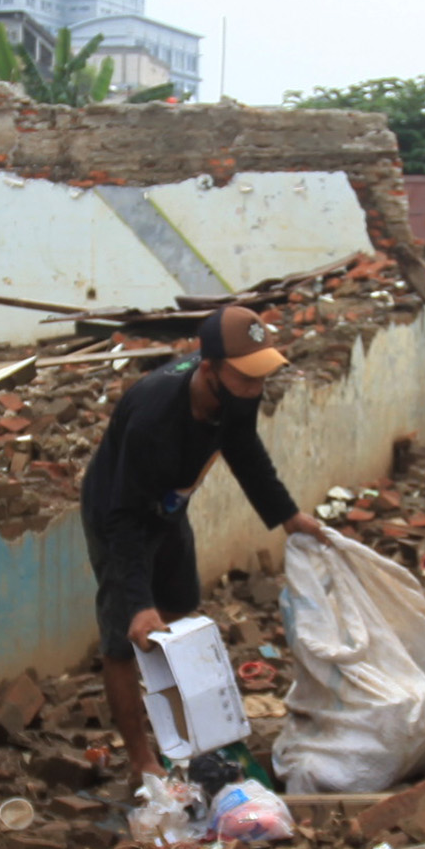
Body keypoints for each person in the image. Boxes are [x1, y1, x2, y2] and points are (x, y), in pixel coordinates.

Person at [77, 305, 322, 774]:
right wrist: (136, 603)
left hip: (169, 504)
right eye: (246, 379)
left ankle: (166, 698)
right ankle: (141, 757)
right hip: (118, 509)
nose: (255, 389)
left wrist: (288, 516)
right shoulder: (155, 416)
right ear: (208, 370)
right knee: (124, 632)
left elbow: (245, 452)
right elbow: (124, 518)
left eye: (260, 378)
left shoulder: (234, 398)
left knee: (180, 601)